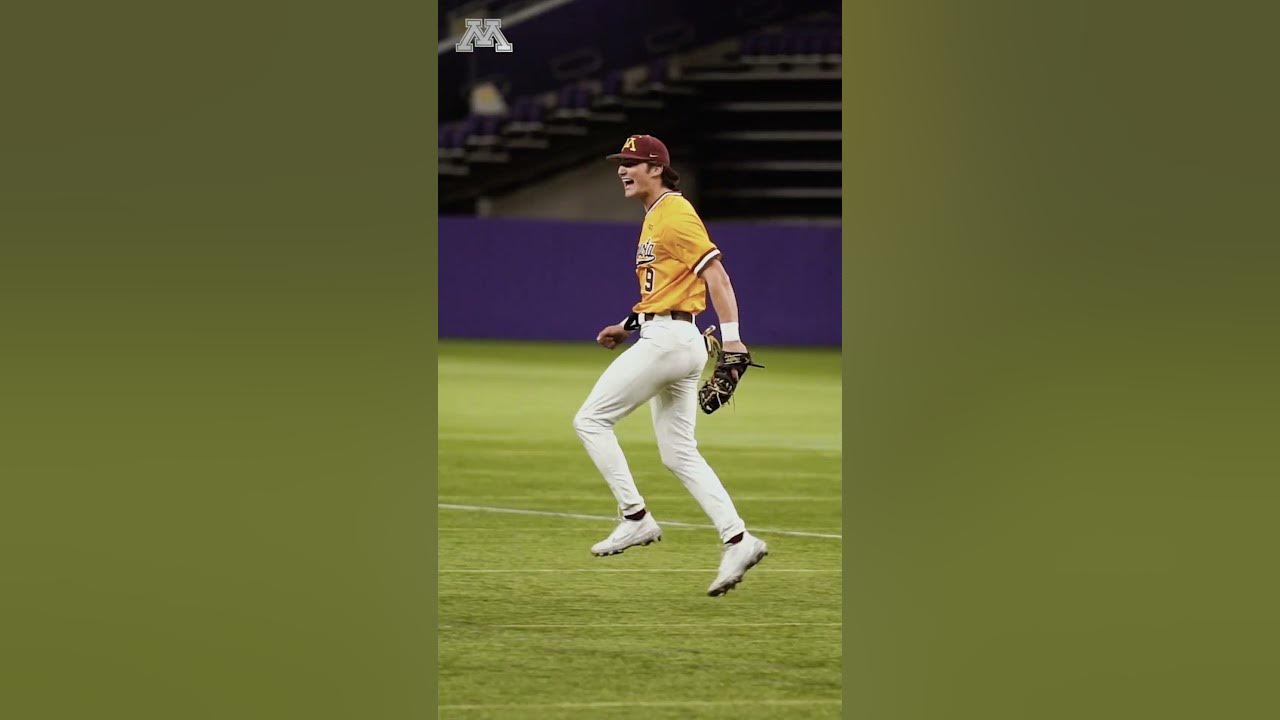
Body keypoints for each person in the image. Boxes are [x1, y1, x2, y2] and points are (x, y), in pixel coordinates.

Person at [572, 134, 768, 597]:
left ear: (656, 168)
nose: (623, 169)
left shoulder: (674, 213)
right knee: (678, 453)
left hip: (670, 340)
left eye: (632, 163)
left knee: (591, 420)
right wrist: (626, 323)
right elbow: (665, 291)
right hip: (672, 336)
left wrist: (735, 339)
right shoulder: (655, 215)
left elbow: (715, 274)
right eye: (621, 162)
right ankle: (738, 539)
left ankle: (635, 517)